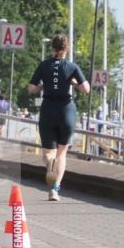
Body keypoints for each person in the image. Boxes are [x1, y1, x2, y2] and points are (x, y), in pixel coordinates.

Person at [27, 34, 91, 201]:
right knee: (62, 154)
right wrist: (74, 83)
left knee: (49, 153)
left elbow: (31, 88)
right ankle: (54, 190)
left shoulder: (43, 65)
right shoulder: (71, 66)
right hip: (66, 110)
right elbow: (86, 88)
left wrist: (43, 85)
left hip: (48, 109)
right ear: (66, 49)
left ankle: (49, 163)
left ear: (52, 48)